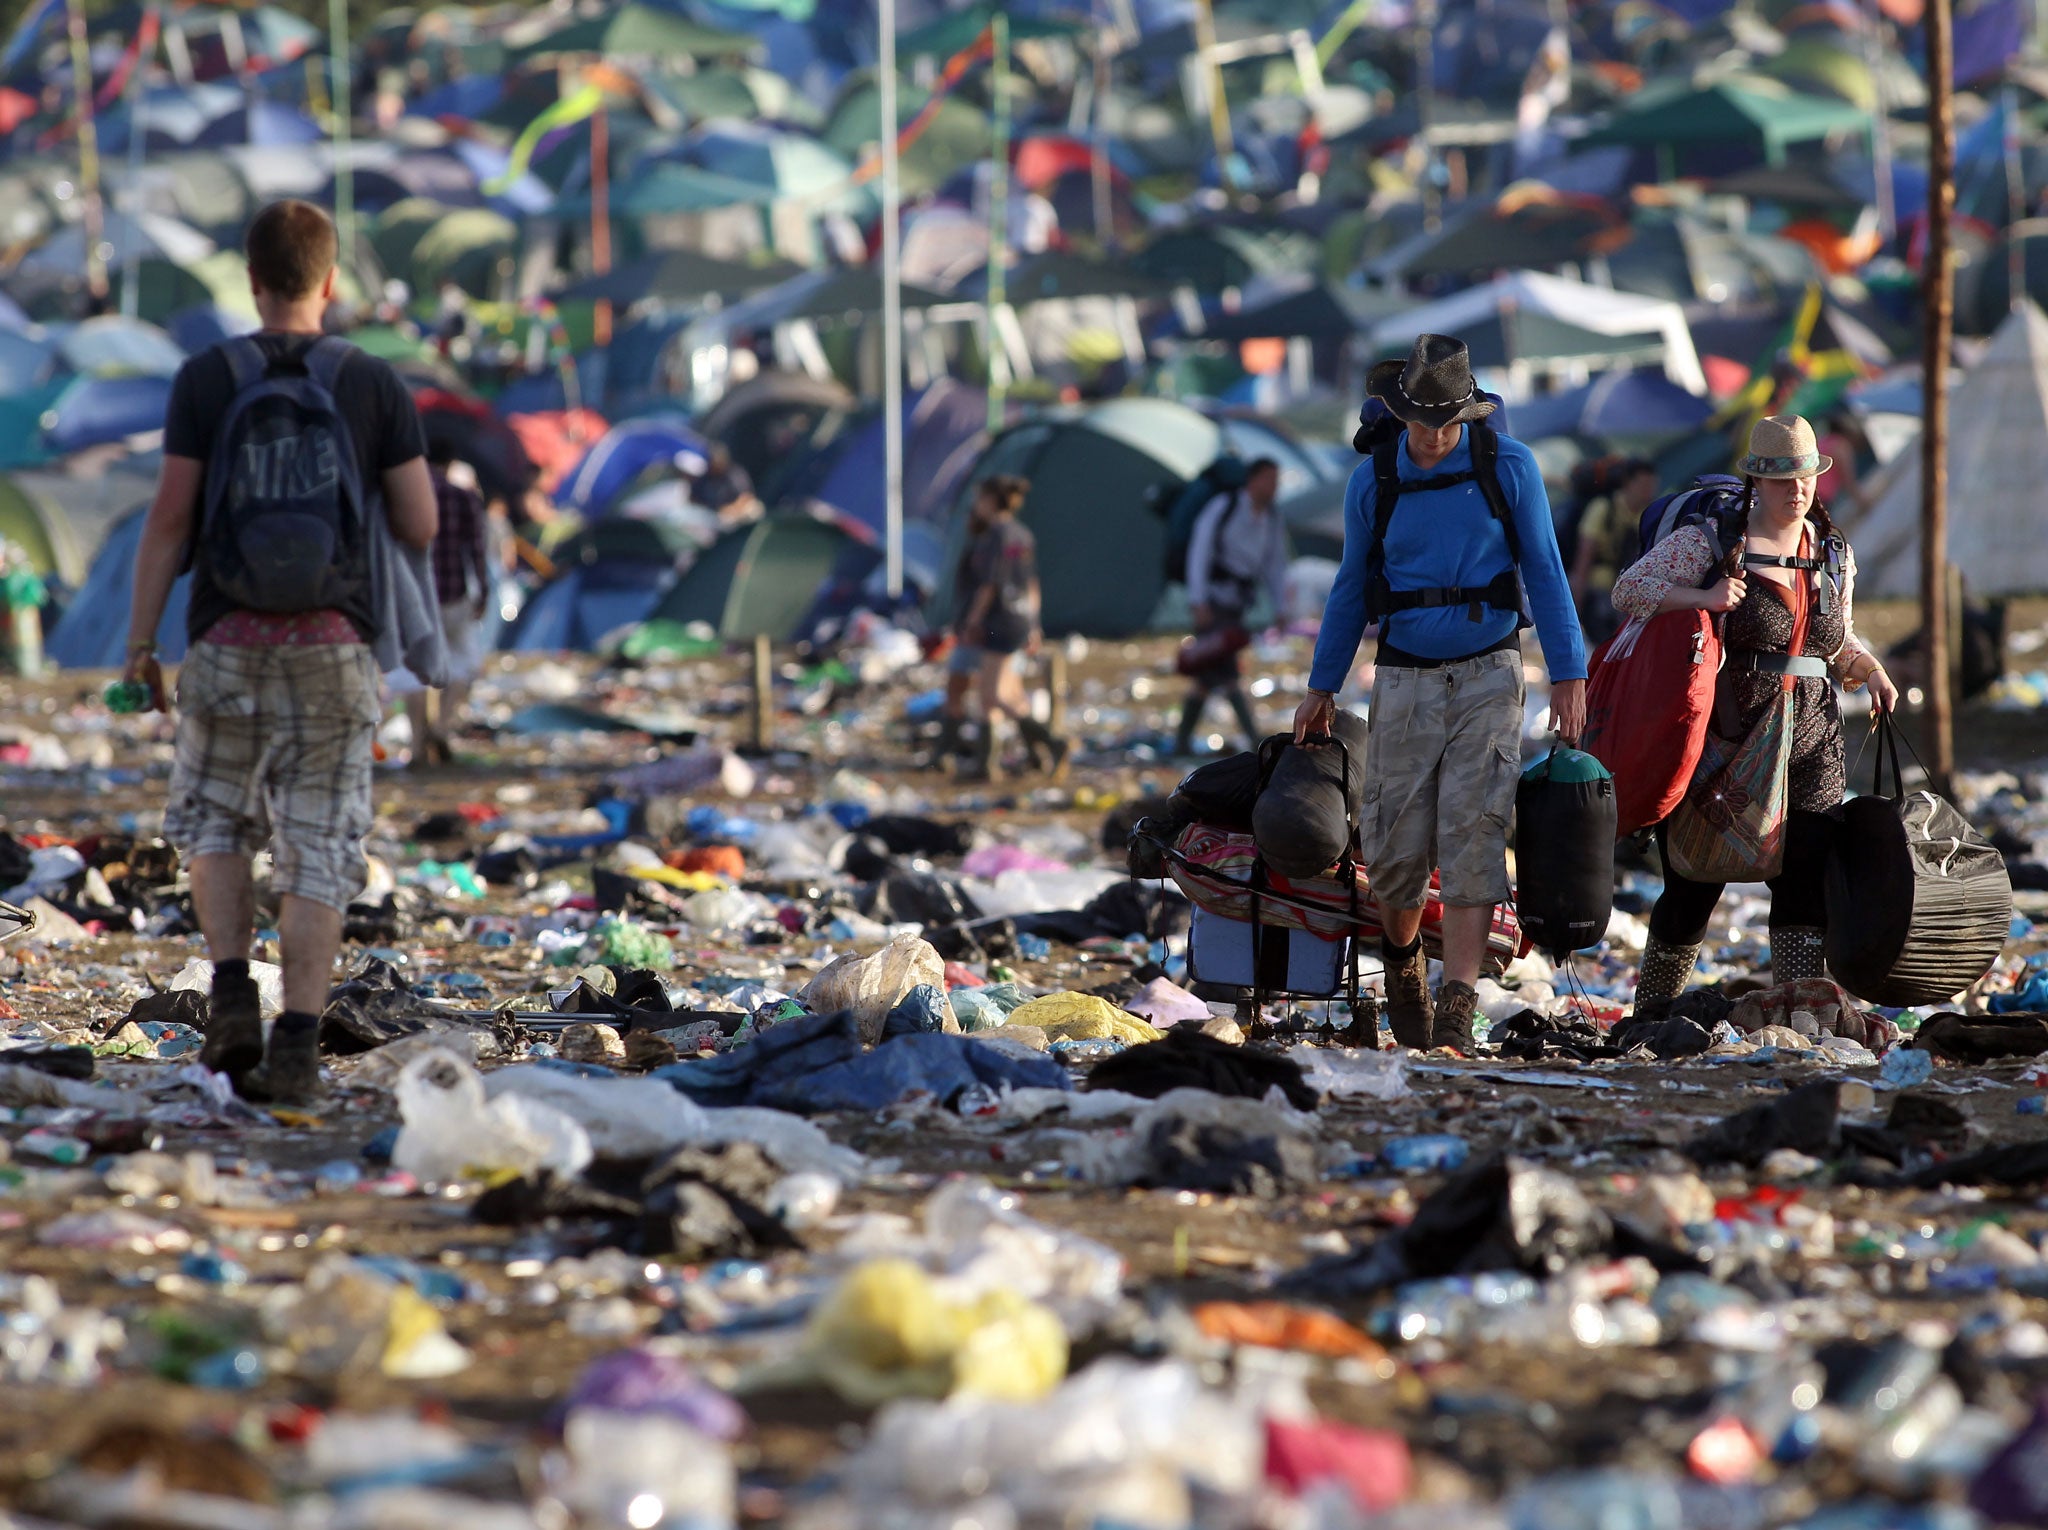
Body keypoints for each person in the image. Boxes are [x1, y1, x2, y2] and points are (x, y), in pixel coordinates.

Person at [121, 199, 438, 1103]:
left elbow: (169, 520)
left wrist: (141, 648)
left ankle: (229, 997)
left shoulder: (206, 378)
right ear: (331, 282)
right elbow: (419, 520)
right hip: (335, 648)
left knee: (215, 822)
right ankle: (296, 1044)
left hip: (224, 639)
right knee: (319, 845)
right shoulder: (372, 382)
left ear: (252, 280)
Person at [1295, 334, 1588, 1053]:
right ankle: (1402, 965)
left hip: (1490, 670)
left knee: (1474, 833)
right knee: (1394, 855)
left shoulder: (1508, 466)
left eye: (1445, 422)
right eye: (1420, 421)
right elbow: (1346, 588)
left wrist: (1570, 674)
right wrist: (1320, 685)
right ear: (1399, 414)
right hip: (1401, 674)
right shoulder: (1375, 479)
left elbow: (1547, 573)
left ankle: (1457, 1002)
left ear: (1468, 412)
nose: (1431, 436)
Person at [1614, 414, 1898, 1011]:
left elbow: (1833, 640)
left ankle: (1796, 1010)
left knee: (1802, 884)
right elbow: (1631, 591)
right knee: (1695, 882)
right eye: (1780, 478)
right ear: (1755, 481)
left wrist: (1869, 668)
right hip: (1727, 737)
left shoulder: (1833, 551)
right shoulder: (1714, 542)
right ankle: (1651, 1012)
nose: (1796, 489)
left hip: (1814, 738)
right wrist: (1704, 597)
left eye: (1805, 476)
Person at [947, 476, 1068, 778]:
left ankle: (1054, 743)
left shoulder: (995, 536)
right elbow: (1031, 582)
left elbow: (989, 584)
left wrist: (973, 620)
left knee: (994, 693)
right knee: (996, 695)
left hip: (998, 622)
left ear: (990, 500)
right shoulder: (1021, 534)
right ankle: (987, 766)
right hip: (1019, 618)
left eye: (979, 499)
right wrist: (1033, 622)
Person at [1177, 456, 1288, 756]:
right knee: (1226, 671)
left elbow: (1274, 564)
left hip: (1238, 603)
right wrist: (1197, 599)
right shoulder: (1224, 507)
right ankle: (1253, 739)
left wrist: (1280, 606)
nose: (1274, 487)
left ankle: (1182, 741)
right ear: (1253, 480)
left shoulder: (1271, 517)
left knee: (1208, 674)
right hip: (1214, 599)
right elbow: (1199, 552)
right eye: (1269, 479)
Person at [404, 443, 491, 766]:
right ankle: (441, 726)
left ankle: (416, 744)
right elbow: (478, 551)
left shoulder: (405, 497)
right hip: (455, 594)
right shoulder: (463, 496)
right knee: (461, 663)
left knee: (414, 671)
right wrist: (483, 591)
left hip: (415, 598)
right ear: (451, 461)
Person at [1569, 456, 1659, 646]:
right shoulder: (1603, 508)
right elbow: (1584, 556)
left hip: (1631, 593)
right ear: (1628, 483)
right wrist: (1573, 608)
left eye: (1651, 485)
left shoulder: (1648, 514)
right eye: (1643, 484)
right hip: (1599, 589)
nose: (1648, 491)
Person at [691, 443, 761, 527]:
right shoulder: (707, 475)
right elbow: (694, 496)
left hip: (733, 512)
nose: (715, 464)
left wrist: (730, 509)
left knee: (754, 509)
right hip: (710, 514)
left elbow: (746, 497)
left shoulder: (735, 474)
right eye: (712, 461)